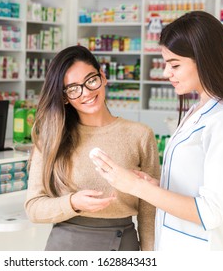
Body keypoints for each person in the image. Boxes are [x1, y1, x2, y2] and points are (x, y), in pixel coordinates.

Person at [90, 11, 223, 251]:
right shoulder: (197, 111)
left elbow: (210, 212)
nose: (166, 73)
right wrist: (158, 185)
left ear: (205, 60)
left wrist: (138, 188)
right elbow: (196, 186)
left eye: (175, 65)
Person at [24, 45, 160, 251]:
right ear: (64, 97)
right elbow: (33, 208)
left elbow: (149, 211)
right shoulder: (51, 139)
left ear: (103, 77)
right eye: (73, 88)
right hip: (65, 247)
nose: (86, 92)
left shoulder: (140, 134)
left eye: (91, 80)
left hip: (124, 244)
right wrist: (73, 203)